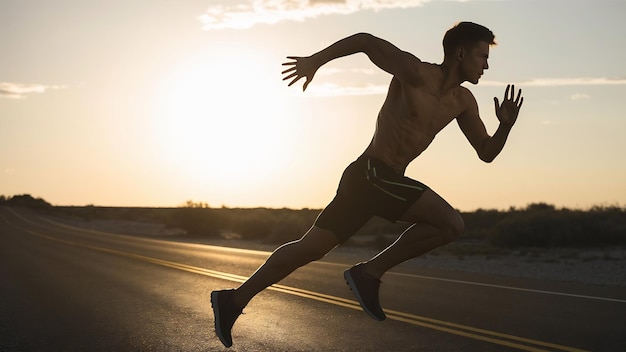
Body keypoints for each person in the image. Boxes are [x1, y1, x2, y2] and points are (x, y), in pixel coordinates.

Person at [211, 21, 523, 348]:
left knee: (310, 248)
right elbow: (365, 41)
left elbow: (486, 152)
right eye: (481, 56)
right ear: (460, 53)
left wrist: (505, 127)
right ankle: (368, 273)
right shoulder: (416, 73)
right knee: (450, 224)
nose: (486, 65)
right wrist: (315, 61)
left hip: (378, 182)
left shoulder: (463, 101)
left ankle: (233, 300)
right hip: (371, 174)